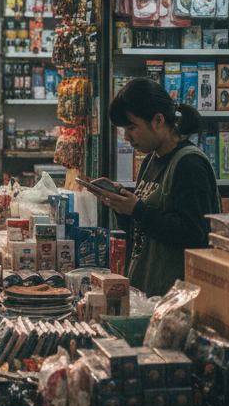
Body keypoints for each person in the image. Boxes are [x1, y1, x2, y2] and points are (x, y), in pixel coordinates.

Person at [94, 78, 220, 297]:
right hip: (148, 294)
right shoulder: (151, 160)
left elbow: (193, 235)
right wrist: (120, 205)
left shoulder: (189, 164)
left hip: (177, 300)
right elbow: (141, 231)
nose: (127, 137)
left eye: (131, 127)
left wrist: (137, 209)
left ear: (158, 120)